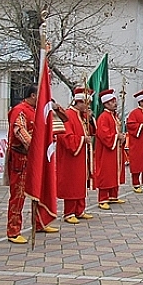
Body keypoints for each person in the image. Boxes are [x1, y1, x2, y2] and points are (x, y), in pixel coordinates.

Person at [5, 84, 59, 243]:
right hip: (21, 159)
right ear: (34, 95)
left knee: (40, 190)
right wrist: (35, 147)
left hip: (36, 158)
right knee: (18, 195)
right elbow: (19, 131)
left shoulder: (38, 111)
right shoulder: (19, 110)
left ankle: (40, 222)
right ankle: (13, 231)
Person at [56, 87, 95, 224]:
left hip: (82, 155)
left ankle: (80, 209)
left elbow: (91, 131)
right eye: (86, 103)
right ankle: (69, 212)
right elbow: (65, 136)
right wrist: (82, 140)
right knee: (72, 183)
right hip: (71, 156)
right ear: (79, 102)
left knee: (81, 182)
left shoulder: (82, 116)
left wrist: (90, 121)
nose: (87, 106)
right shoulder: (68, 115)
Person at [94, 89, 127, 210]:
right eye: (112, 101)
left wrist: (121, 137)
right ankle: (102, 199)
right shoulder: (104, 117)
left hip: (115, 149)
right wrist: (116, 137)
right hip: (107, 150)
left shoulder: (114, 117)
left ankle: (113, 195)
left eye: (115, 101)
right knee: (106, 173)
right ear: (106, 103)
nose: (115, 103)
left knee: (114, 172)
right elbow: (103, 134)